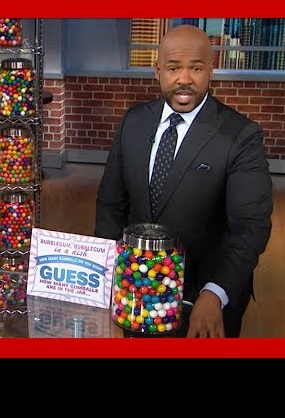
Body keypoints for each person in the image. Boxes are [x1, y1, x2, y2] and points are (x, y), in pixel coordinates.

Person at [94, 24, 273, 338]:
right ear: (158, 71)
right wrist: (109, 274)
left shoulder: (241, 136)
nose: (184, 79)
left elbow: (250, 227)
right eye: (174, 68)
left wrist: (215, 292)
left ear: (211, 70)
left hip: (202, 296)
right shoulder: (132, 122)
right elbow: (110, 204)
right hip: (136, 288)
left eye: (197, 68)